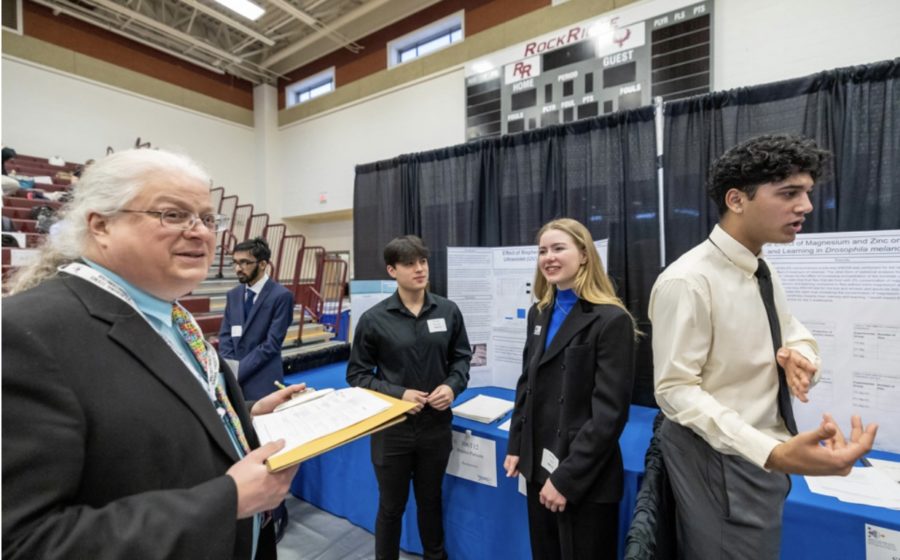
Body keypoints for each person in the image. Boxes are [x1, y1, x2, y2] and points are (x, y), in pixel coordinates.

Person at [2, 149, 305, 560]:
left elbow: (145, 421)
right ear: (101, 225)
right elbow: (25, 542)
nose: (199, 232)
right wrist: (227, 501)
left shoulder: (169, 313)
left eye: (207, 218)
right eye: (173, 214)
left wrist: (246, 413)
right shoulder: (24, 332)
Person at [649, 134, 878, 560]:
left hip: (759, 455)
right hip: (723, 458)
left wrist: (801, 357)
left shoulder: (761, 266)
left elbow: (792, 330)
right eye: (789, 193)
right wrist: (770, 452)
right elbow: (675, 389)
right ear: (737, 200)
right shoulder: (689, 281)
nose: (806, 207)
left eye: (807, 192)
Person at [504, 218, 637, 560]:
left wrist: (567, 479)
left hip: (583, 474)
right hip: (538, 465)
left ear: (584, 255)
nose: (548, 257)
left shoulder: (611, 320)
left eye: (558, 248)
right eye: (542, 250)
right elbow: (527, 384)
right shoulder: (539, 312)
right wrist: (517, 444)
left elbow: (608, 415)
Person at [346, 234, 472, 560]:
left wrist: (452, 386)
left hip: (435, 427)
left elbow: (461, 359)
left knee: (431, 501)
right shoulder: (374, 320)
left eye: (423, 261)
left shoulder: (448, 310)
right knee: (391, 507)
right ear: (392, 270)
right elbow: (357, 375)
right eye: (409, 263)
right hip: (392, 430)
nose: (419, 269)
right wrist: (399, 394)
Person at [218, 237, 294, 401]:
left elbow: (271, 344)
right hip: (233, 381)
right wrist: (230, 369)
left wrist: (238, 371)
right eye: (235, 263)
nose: (238, 268)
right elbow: (225, 337)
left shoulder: (281, 296)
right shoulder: (233, 295)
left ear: (262, 264)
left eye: (245, 262)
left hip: (263, 379)